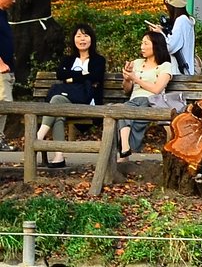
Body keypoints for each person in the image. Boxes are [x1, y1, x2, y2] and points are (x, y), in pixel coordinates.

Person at [37, 22, 106, 167]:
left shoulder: (98, 60)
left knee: (56, 102)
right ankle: (59, 156)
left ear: (91, 39)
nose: (82, 39)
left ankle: (38, 137)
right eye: (78, 36)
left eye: (85, 36)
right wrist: (83, 75)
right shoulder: (67, 60)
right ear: (73, 39)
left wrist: (71, 78)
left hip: (88, 103)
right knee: (58, 112)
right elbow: (60, 74)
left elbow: (96, 76)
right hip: (68, 101)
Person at [118, 29, 181, 158]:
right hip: (134, 101)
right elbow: (127, 90)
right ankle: (125, 149)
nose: (142, 47)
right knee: (123, 112)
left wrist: (135, 78)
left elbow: (157, 89)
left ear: (156, 45)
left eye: (146, 43)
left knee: (126, 113)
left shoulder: (165, 66)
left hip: (152, 101)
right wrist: (127, 78)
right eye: (142, 43)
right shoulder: (136, 63)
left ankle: (124, 152)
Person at [148, 0, 196, 75]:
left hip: (180, 72)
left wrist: (160, 33)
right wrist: (163, 30)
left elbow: (171, 46)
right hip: (187, 71)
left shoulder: (181, 21)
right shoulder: (187, 20)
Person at [0, 0, 17, 103]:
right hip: (1, 70)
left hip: (7, 69)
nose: (14, 1)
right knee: (5, 106)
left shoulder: (3, 14)